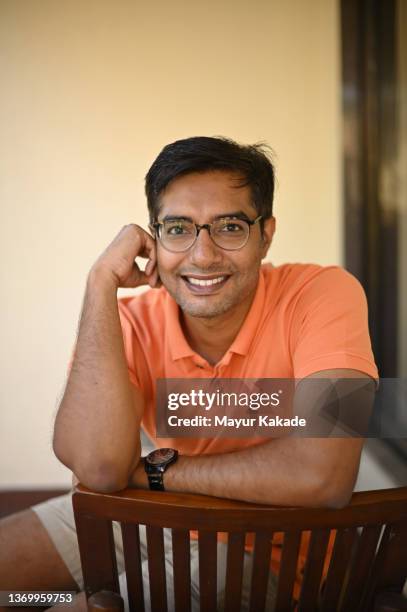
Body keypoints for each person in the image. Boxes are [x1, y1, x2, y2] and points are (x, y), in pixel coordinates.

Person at [0, 136, 378, 611]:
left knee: (77, 608)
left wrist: (151, 474)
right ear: (154, 240)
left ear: (267, 234)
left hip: (268, 547)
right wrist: (100, 282)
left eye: (230, 227)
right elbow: (98, 468)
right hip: (151, 518)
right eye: (178, 229)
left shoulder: (324, 293)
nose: (202, 255)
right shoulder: (130, 320)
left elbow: (325, 475)